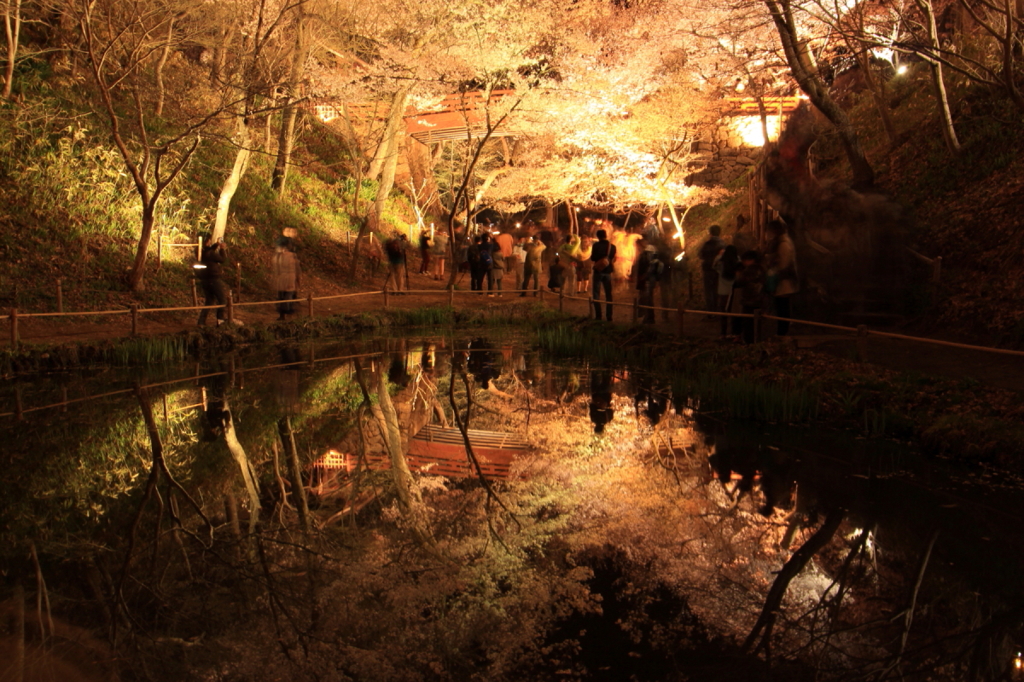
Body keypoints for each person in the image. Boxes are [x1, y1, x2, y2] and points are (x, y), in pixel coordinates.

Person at [765, 220, 799, 336]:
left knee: (783, 309)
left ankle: (782, 334)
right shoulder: (783, 242)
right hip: (783, 281)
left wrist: (772, 263)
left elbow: (783, 264)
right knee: (782, 308)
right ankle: (782, 333)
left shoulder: (783, 244)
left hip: (784, 282)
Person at [734, 250, 765, 343]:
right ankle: (756, 342)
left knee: (748, 324)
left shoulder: (748, 271)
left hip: (749, 300)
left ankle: (749, 343)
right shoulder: (762, 269)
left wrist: (737, 274)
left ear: (750, 260)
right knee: (757, 324)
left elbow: (738, 283)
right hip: (760, 299)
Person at [197, 237, 229, 326]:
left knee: (209, 301)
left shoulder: (201, 251)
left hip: (205, 280)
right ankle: (220, 320)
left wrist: (215, 245)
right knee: (222, 299)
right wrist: (222, 249)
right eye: (209, 241)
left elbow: (209, 249)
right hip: (213, 279)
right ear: (207, 242)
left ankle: (201, 322)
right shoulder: (209, 253)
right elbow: (222, 259)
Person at [590, 228, 617, 320]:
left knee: (596, 294)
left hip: (598, 271)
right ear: (606, 235)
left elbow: (593, 258)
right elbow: (613, 258)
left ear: (598, 236)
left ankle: (598, 316)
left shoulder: (596, 245)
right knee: (609, 294)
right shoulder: (612, 246)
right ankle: (609, 316)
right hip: (608, 272)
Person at [713, 244, 739, 336]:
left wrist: (722, 254)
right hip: (733, 291)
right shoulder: (738, 261)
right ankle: (734, 332)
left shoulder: (720, 262)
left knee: (723, 312)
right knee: (734, 312)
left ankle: (723, 333)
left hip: (722, 291)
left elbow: (714, 266)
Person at [272, 237, 300, 321]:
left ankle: (283, 315)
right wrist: (298, 279)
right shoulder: (292, 256)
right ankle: (287, 315)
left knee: (281, 297)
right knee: (288, 297)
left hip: (281, 279)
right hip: (289, 279)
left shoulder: (277, 257)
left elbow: (276, 270)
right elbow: (297, 269)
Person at [636, 243, 665, 324]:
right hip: (651, 280)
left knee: (647, 299)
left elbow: (646, 270)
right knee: (648, 298)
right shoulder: (655, 259)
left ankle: (649, 318)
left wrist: (643, 277)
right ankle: (648, 317)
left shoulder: (645, 257)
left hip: (647, 280)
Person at [699, 225, 725, 314]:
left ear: (710, 233)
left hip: (708, 270)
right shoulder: (723, 244)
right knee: (717, 291)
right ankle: (718, 310)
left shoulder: (707, 244)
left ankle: (711, 312)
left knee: (709, 292)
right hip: (718, 270)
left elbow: (700, 255)